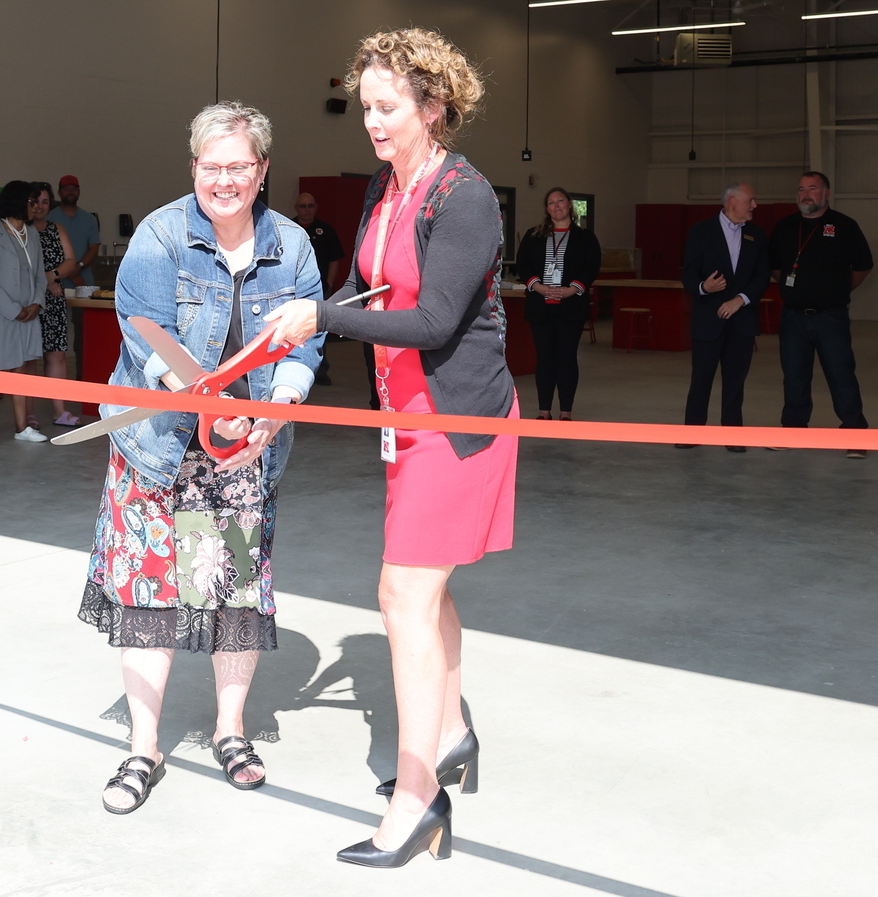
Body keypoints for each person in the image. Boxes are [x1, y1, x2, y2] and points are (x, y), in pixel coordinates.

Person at [266, 28, 508, 868]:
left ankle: (419, 797)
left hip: (455, 417)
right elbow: (367, 284)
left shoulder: (464, 196)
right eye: (364, 105)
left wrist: (322, 319)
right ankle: (451, 730)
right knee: (427, 589)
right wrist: (296, 327)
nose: (370, 120)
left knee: (401, 593)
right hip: (399, 416)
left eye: (386, 106)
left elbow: (436, 319)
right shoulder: (387, 186)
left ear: (432, 108)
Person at [76, 102, 325, 817]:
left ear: (262, 170)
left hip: (244, 451)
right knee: (149, 599)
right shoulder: (160, 235)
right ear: (194, 168)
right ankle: (143, 746)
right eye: (211, 167)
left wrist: (278, 405)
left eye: (239, 166)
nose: (224, 180)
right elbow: (148, 339)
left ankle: (231, 731)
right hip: (157, 450)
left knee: (233, 595)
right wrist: (214, 401)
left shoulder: (294, 247)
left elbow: (303, 341)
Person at [769, 171, 873, 459]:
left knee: (841, 376)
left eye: (813, 188)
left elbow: (862, 266)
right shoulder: (784, 227)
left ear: (826, 193)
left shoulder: (844, 226)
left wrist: (837, 291)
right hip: (793, 317)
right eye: (801, 189)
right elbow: (776, 268)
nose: (805, 194)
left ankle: (854, 435)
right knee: (794, 377)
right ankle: (793, 430)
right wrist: (797, 291)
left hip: (831, 317)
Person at [678, 182, 767, 452]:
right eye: (750, 200)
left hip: (742, 321)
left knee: (735, 380)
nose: (754, 206)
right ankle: (691, 432)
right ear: (731, 202)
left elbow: (762, 277)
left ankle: (732, 434)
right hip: (708, 321)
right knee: (701, 378)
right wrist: (705, 287)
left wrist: (739, 300)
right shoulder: (701, 232)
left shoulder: (757, 234)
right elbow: (688, 276)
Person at [515, 187, 602, 420]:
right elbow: (522, 266)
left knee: (566, 357)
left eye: (560, 201)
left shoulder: (585, 237)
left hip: (570, 308)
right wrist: (539, 286)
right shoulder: (534, 235)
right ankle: (544, 411)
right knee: (544, 358)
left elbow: (591, 267)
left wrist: (571, 290)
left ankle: (566, 412)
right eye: (551, 202)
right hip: (540, 308)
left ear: (569, 205)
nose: (556, 206)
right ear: (547, 209)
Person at [0, 180, 48, 445]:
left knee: (22, 368)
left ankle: (22, 427)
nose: (36, 207)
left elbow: (40, 276)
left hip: (28, 313)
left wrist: (36, 304)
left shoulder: (32, 234)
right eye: (31, 202)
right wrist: (13, 310)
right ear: (17, 202)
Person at [29, 181, 83, 427]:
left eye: (44, 202)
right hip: (29, 301)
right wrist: (44, 282)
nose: (39, 207)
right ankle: (27, 412)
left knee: (57, 355)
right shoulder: (21, 229)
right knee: (28, 358)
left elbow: (71, 261)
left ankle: (59, 410)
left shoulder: (56, 228)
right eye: (34, 201)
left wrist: (51, 278)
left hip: (54, 300)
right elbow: (22, 267)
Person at [294, 192, 349, 387]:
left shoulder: (326, 230)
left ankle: (320, 371)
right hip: (293, 292)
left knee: (319, 331)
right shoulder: (289, 229)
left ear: (316, 207)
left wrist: (329, 284)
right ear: (296, 208)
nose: (306, 210)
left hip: (319, 290)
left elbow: (335, 259)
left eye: (310, 206)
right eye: (303, 206)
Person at [47, 175, 101, 288]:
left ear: (79, 192)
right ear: (59, 192)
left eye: (74, 189)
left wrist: (78, 267)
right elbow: (47, 252)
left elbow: (93, 250)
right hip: (57, 282)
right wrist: (70, 274)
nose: (70, 192)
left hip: (84, 281)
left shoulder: (89, 219)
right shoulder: (49, 218)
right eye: (66, 189)